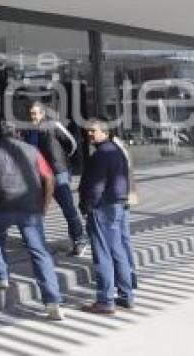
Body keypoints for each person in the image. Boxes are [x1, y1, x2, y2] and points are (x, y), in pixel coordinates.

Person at [0, 121, 65, 321]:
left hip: (1, 206)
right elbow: (49, 178)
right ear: (18, 134)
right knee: (39, 252)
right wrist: (45, 205)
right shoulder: (32, 151)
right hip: (30, 208)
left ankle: (2, 276)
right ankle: (52, 301)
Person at [78, 117, 134, 314]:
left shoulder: (101, 155)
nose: (89, 134)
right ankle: (126, 295)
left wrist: (87, 207)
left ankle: (105, 300)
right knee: (118, 251)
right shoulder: (116, 151)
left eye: (93, 131)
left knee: (102, 255)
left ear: (105, 132)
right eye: (88, 131)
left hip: (103, 208)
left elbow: (95, 187)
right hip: (117, 206)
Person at [24, 101, 88, 256]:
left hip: (58, 173)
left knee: (68, 208)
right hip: (39, 176)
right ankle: (36, 240)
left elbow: (71, 143)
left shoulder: (53, 125)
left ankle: (79, 239)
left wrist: (63, 161)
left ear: (42, 113)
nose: (33, 116)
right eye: (31, 114)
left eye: (35, 113)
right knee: (36, 209)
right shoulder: (29, 131)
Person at [110, 133, 139, 291]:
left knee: (121, 238)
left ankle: (127, 276)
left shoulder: (114, 149)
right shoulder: (120, 146)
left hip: (120, 199)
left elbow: (124, 176)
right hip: (125, 198)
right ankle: (131, 275)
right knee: (124, 238)